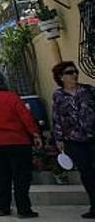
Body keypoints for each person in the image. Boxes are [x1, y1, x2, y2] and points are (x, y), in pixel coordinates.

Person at [0, 71, 41, 218]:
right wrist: (35, 134)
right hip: (18, 140)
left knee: (2, 175)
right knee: (21, 177)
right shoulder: (13, 97)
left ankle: (3, 207)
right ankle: (24, 209)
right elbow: (26, 117)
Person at [51, 61, 95, 219]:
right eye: (70, 72)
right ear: (61, 77)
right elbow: (57, 118)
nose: (74, 74)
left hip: (92, 136)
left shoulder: (88, 91)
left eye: (75, 71)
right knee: (87, 173)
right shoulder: (58, 96)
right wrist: (58, 138)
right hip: (74, 140)